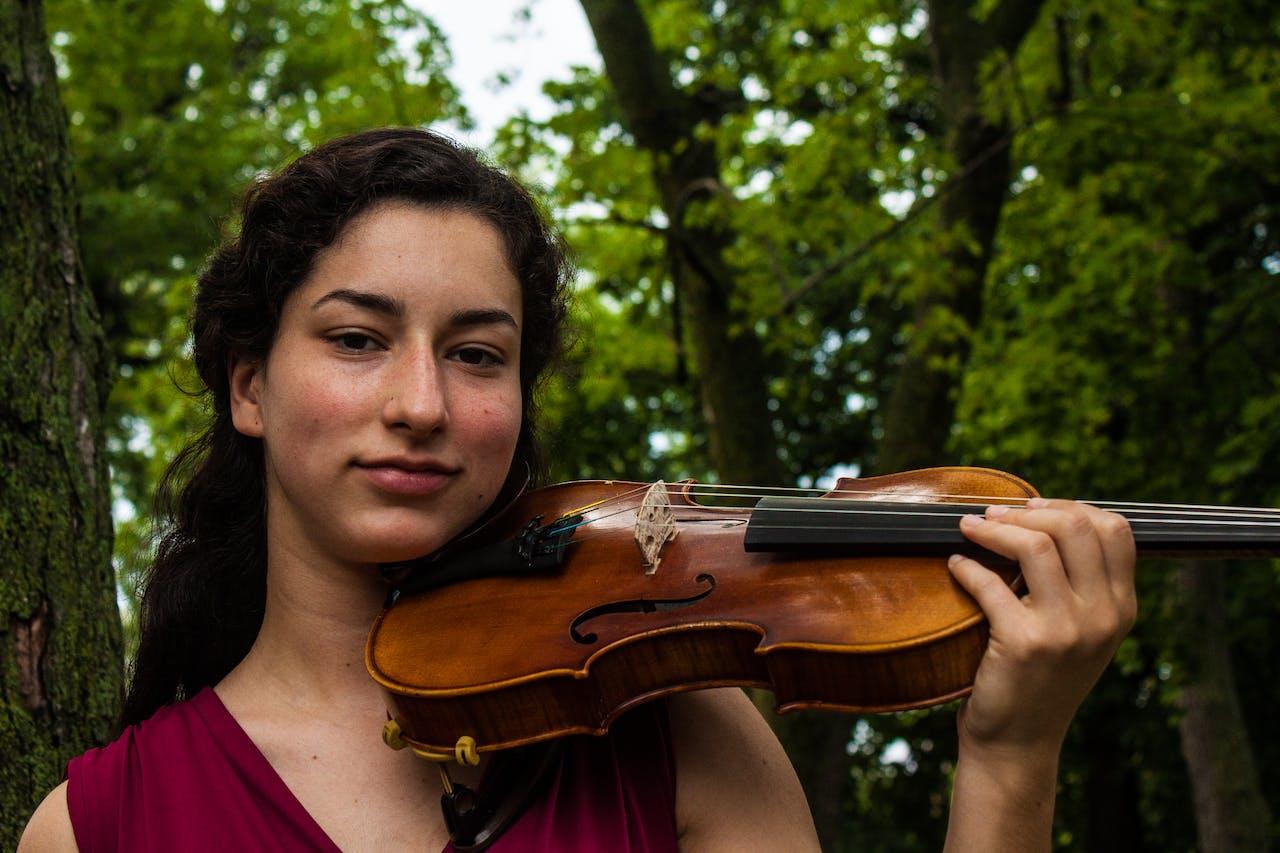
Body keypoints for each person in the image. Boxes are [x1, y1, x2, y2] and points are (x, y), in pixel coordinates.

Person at [19, 127, 1136, 852]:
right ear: (251, 386)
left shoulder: (672, 725)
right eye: (358, 338)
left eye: (476, 353)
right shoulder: (100, 825)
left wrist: (1007, 755)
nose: (421, 402)